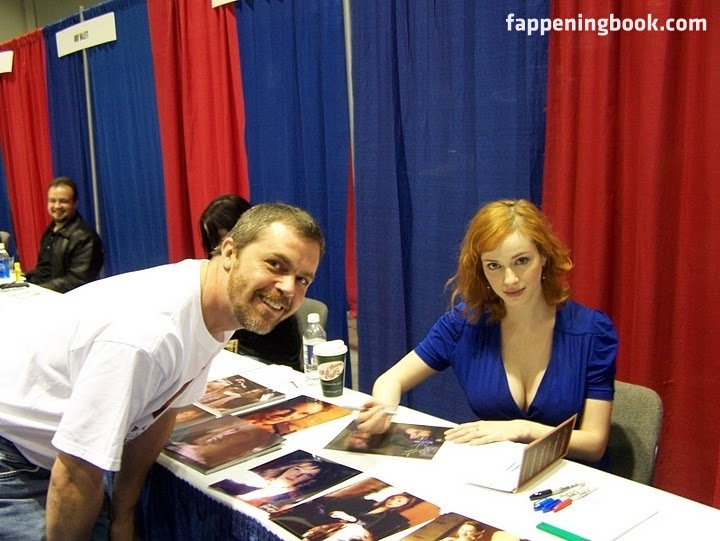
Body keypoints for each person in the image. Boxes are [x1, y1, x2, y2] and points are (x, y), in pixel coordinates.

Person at [0, 202, 324, 540]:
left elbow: (163, 409)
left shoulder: (217, 303)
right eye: (275, 264)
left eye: (302, 279)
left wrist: (124, 515)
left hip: (55, 457)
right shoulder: (150, 335)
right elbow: (75, 471)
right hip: (14, 454)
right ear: (230, 252)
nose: (289, 288)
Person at [357, 199, 617, 469]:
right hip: (495, 473)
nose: (510, 279)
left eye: (522, 261)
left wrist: (522, 429)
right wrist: (383, 410)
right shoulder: (464, 323)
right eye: (494, 265)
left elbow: (594, 444)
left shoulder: (592, 331)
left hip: (574, 479)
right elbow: (391, 380)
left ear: (544, 257)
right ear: (480, 269)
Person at [200, 194, 303, 369]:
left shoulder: (268, 287)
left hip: (269, 360)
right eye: (214, 242)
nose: (220, 251)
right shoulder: (211, 283)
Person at [24, 176, 104, 292]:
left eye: (63, 201)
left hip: (60, 298)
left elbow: (77, 281)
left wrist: (36, 291)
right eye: (52, 201)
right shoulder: (50, 230)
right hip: (41, 292)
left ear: (75, 203)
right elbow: (43, 270)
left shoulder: (86, 238)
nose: (57, 206)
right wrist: (21, 280)